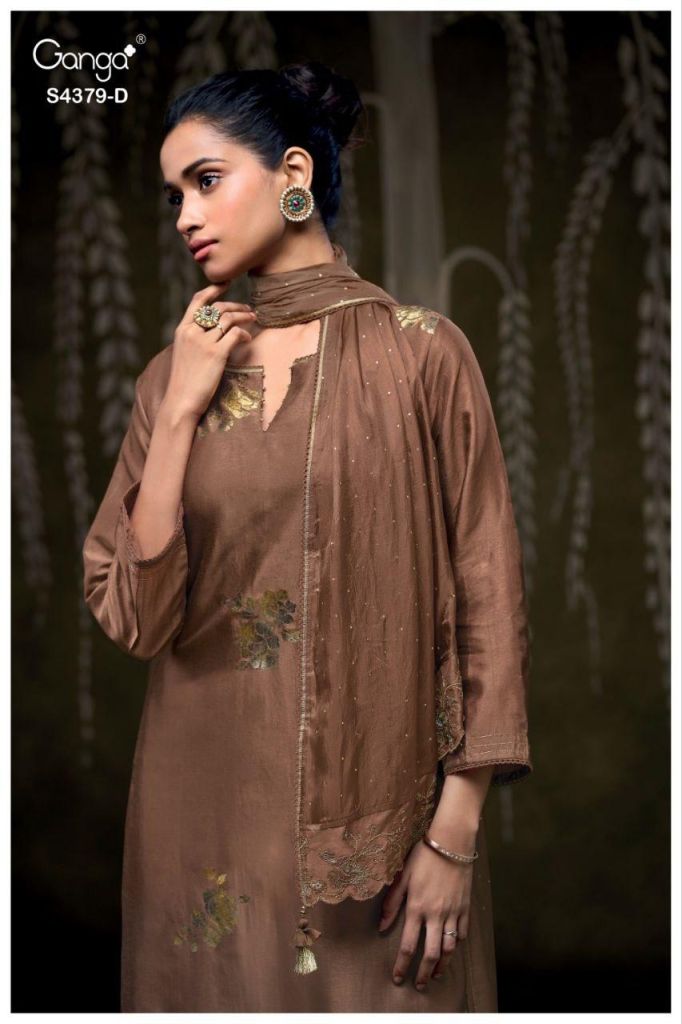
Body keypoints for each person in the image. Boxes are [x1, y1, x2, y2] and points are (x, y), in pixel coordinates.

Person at [82, 61, 532, 1013]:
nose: (184, 217)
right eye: (173, 195)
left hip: (386, 825)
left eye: (206, 180)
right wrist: (179, 412)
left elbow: (487, 594)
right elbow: (136, 616)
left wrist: (455, 832)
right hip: (200, 809)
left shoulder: (422, 353)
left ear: (293, 172)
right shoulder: (174, 375)